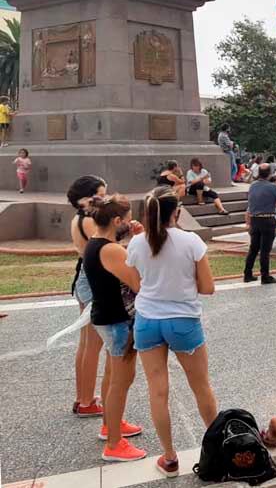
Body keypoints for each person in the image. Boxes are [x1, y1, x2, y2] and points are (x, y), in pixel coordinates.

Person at [126, 186, 218, 476]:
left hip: (147, 321)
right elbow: (208, 287)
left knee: (158, 391)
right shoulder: (190, 241)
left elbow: (137, 283)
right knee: (201, 386)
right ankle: (217, 449)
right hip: (183, 321)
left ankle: (169, 457)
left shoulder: (136, 243)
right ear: (176, 212)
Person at [82, 194, 145, 462]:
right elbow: (137, 283)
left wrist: (132, 241)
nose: (130, 223)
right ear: (117, 220)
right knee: (122, 380)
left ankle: (111, 425)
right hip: (119, 320)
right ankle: (114, 444)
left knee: (111, 375)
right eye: (128, 219)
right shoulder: (111, 250)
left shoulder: (95, 245)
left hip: (106, 317)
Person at [67, 175, 109, 419]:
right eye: (99, 195)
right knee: (93, 344)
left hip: (84, 275)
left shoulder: (78, 218)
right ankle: (86, 401)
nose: (103, 200)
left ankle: (83, 397)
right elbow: (106, 245)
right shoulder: (89, 221)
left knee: (86, 343)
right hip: (93, 279)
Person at [244, 164, 276, 284]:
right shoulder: (272, 187)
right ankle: (265, 276)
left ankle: (247, 274)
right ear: (270, 173)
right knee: (265, 250)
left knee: (253, 248)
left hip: (255, 219)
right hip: (267, 219)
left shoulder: (252, 186)